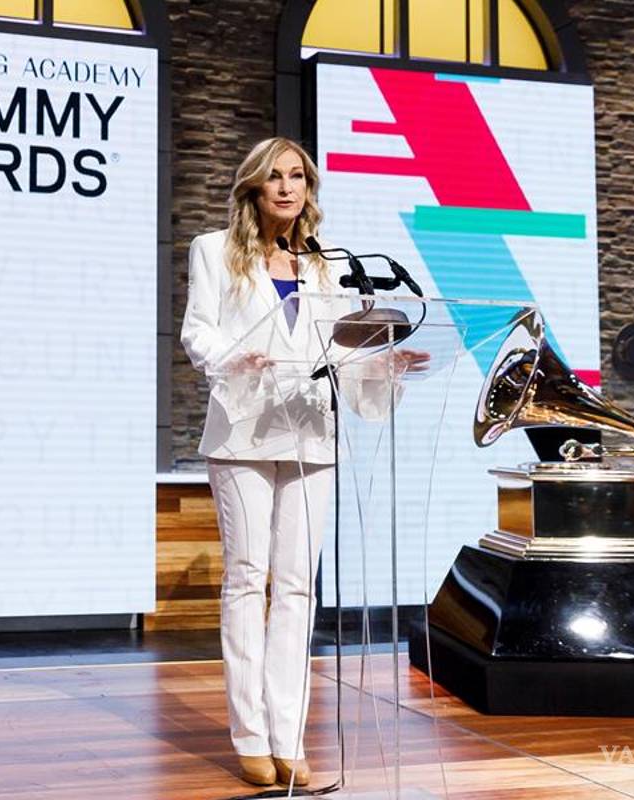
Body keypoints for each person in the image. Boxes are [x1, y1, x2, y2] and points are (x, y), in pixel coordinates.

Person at [180, 137, 428, 788]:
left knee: (296, 587)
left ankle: (288, 735)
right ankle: (250, 733)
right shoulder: (214, 250)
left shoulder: (325, 264)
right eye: (275, 177)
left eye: (298, 177)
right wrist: (234, 357)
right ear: (254, 188)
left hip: (311, 432)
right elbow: (197, 331)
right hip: (243, 430)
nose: (288, 187)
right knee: (247, 578)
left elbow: (337, 352)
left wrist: (385, 363)